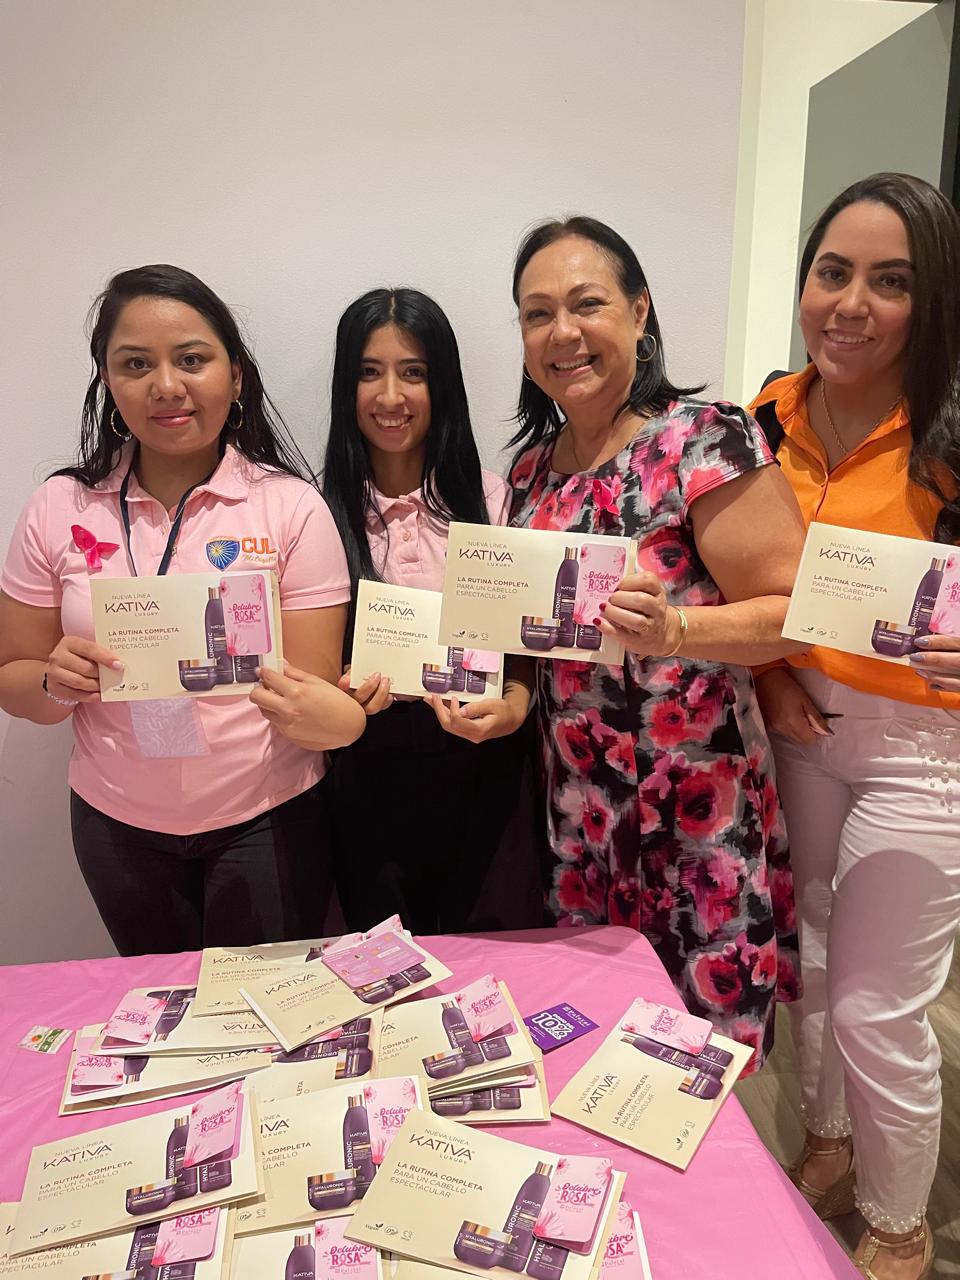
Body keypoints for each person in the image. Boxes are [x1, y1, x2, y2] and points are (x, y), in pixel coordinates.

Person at [507, 216, 807, 1071]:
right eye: (537, 314)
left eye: (587, 304)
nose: (562, 332)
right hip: (583, 814)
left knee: (702, 1064)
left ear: (639, 311)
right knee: (597, 1053)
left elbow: (797, 611)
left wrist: (679, 629)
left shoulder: (703, 439)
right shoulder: (531, 473)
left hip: (696, 811)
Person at [0, 264, 365, 955]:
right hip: (116, 825)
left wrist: (337, 709)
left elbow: (313, 698)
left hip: (267, 816)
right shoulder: (57, 507)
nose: (166, 386)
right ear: (107, 380)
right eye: (136, 364)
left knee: (261, 1009)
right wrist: (53, 681)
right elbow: (13, 680)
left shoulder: (291, 507)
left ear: (236, 375)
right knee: (160, 1006)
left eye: (192, 360)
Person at [750, 173, 960, 1280]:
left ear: (934, 301)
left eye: (891, 281)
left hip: (926, 747)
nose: (851, 304)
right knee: (816, 959)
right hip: (798, 724)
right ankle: (828, 1142)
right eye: (833, 272)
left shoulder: (952, 428)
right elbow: (737, 573)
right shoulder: (762, 418)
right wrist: (769, 676)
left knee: (881, 1007)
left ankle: (899, 1225)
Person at [313, 287, 543, 934]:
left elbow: (523, 652)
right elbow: (309, 667)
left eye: (413, 372)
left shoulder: (497, 502)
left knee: (495, 961)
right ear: (346, 386)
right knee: (384, 970)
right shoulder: (315, 515)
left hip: (484, 772)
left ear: (442, 384)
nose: (391, 396)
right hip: (366, 781)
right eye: (369, 372)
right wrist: (339, 692)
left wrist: (513, 707)